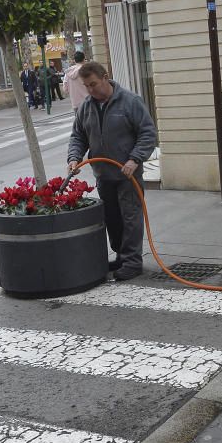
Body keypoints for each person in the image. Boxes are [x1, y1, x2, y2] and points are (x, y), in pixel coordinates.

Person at [67, 62, 157, 281]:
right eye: (87, 86)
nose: (90, 90)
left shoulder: (130, 102)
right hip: (103, 175)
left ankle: (133, 261)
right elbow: (78, 136)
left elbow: (147, 133)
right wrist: (74, 158)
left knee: (130, 218)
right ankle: (121, 255)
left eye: (94, 84)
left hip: (127, 175)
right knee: (112, 218)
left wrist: (135, 159)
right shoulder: (87, 107)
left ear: (105, 77)